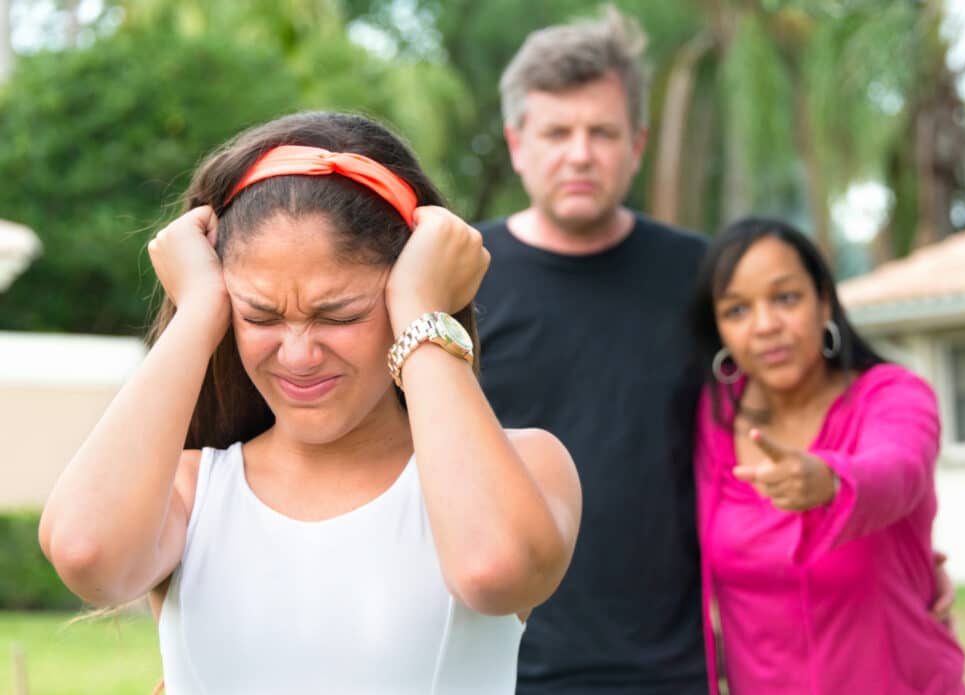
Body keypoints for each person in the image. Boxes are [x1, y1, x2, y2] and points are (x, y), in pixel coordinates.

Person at [38, 111, 582, 693]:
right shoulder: (186, 493)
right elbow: (84, 553)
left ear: (405, 293)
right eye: (260, 315)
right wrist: (197, 310)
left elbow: (492, 570)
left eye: (339, 314)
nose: (297, 356)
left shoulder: (526, 467)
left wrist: (425, 312)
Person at [474, 8, 708, 694]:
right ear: (518, 143)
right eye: (556, 132)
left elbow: (815, 405)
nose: (580, 153)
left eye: (602, 132)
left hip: (673, 666)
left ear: (636, 143)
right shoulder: (456, 275)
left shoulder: (702, 276)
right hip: (496, 660)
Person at [690, 216, 965, 694]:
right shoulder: (711, 419)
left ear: (824, 302)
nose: (765, 326)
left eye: (786, 298)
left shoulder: (892, 396)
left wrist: (832, 481)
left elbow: (901, 469)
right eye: (737, 310)